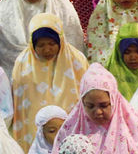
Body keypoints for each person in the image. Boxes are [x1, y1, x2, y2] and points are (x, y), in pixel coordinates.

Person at [9, 12, 89, 148]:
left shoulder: (77, 61)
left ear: (60, 40)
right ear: (32, 44)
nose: (47, 49)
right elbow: (19, 105)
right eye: (41, 45)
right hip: (32, 128)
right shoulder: (22, 64)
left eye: (52, 43)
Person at [52, 64, 138, 154]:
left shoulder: (135, 130)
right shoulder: (70, 129)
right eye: (90, 106)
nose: (98, 112)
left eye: (104, 105)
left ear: (114, 100)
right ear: (82, 104)